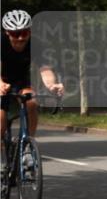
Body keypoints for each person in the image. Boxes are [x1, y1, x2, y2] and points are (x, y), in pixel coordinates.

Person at [1, 9, 64, 137]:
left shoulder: (36, 44)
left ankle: (28, 144)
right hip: (2, 80)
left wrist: (52, 85)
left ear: (29, 31)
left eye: (24, 33)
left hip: (20, 81)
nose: (20, 38)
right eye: (15, 34)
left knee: (32, 102)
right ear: (7, 32)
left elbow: (45, 69)